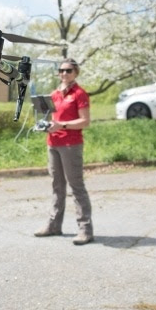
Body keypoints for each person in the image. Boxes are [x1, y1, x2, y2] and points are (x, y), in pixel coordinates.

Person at [34, 58, 94, 245]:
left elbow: (85, 121)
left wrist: (63, 125)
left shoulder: (79, 94)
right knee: (57, 186)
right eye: (61, 70)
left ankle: (85, 230)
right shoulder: (54, 94)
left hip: (71, 145)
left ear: (76, 72)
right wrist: (47, 125)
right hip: (53, 143)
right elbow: (54, 118)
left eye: (68, 70)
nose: (64, 74)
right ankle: (54, 225)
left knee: (76, 187)